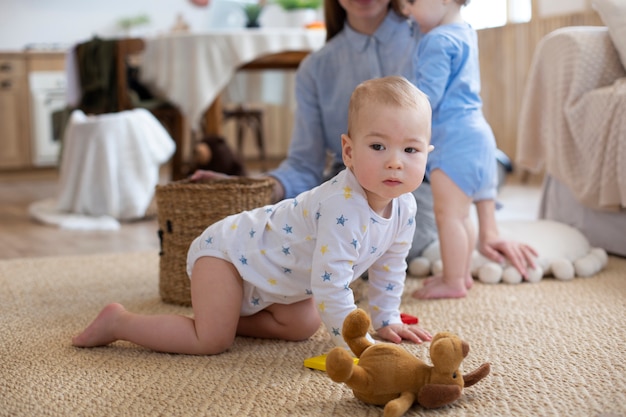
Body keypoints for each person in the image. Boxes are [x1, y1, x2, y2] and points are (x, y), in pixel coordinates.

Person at [72, 75, 434, 355]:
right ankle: (119, 322)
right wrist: (358, 345)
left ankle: (229, 317)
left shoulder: (405, 205)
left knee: (303, 326)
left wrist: (385, 319)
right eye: (377, 146)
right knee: (210, 341)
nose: (395, 161)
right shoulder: (343, 204)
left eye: (410, 149)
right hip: (227, 255)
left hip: (275, 279)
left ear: (426, 153)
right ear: (349, 151)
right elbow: (331, 284)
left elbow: (391, 264)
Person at [192, 0, 440, 262]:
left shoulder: (431, 43)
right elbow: (303, 165)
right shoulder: (316, 67)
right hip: (344, 187)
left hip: (421, 185)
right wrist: (253, 188)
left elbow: (460, 134)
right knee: (284, 242)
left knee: (384, 235)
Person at [405, 0, 537, 299]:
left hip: (454, 140)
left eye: (411, 2)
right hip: (477, 134)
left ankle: (453, 280)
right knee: (462, 214)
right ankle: (460, 275)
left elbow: (428, 97)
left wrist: (400, 102)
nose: (407, 11)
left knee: (448, 214)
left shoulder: (436, 40)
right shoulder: (464, 31)